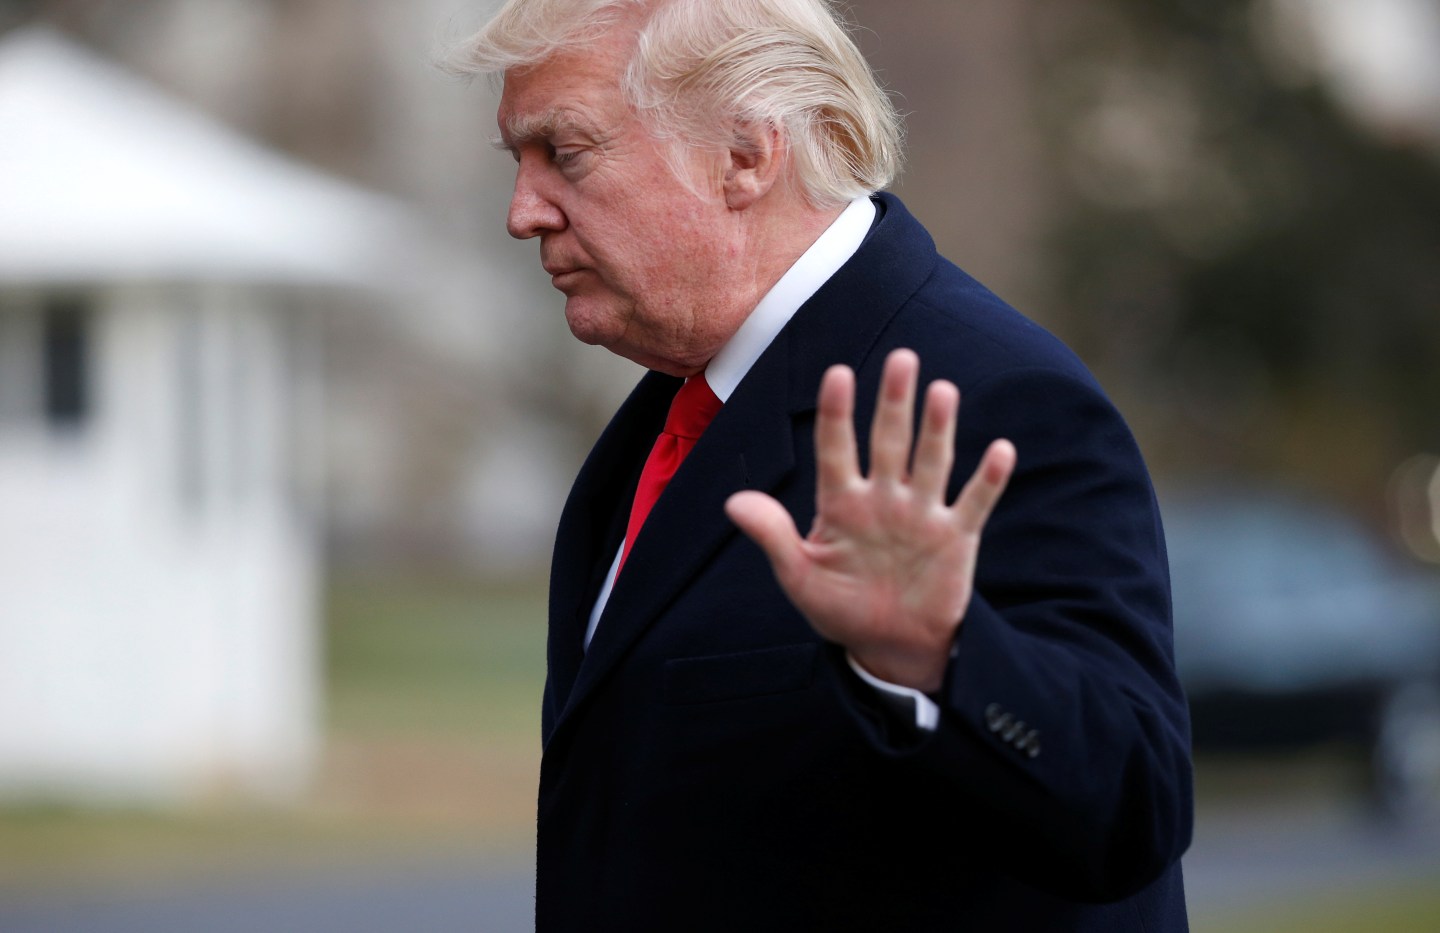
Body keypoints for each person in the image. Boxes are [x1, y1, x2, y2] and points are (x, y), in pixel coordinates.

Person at [453, 0, 1192, 929]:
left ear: (746, 154)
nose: (523, 212)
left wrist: (940, 658)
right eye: (516, 163)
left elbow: (1133, 805)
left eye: (565, 152)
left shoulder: (987, 395)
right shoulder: (666, 414)